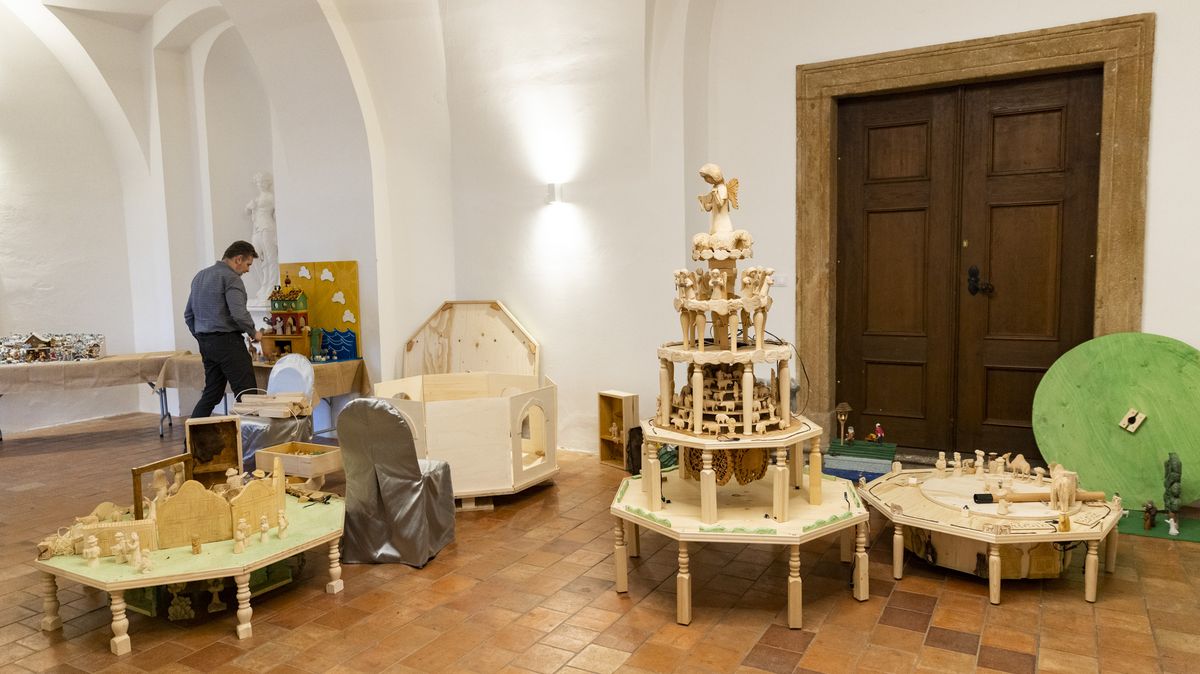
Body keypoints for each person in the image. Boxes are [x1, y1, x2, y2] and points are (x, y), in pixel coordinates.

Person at [184, 241, 263, 418]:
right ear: (238, 259)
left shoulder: (200, 276)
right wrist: (254, 333)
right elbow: (239, 314)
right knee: (247, 394)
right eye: (248, 264)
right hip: (228, 343)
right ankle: (249, 436)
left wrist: (202, 336)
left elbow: (188, 315)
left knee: (212, 393)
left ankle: (193, 435)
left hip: (206, 343)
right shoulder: (232, 278)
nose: (248, 270)